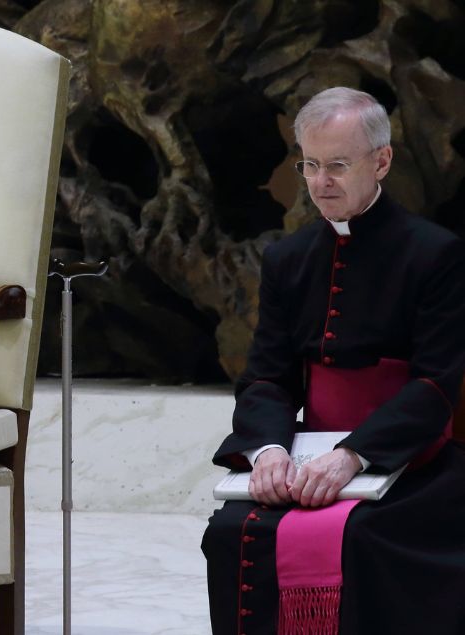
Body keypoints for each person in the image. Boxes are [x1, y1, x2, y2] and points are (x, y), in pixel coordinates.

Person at [201, 86, 465, 634]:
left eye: (338, 166)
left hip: (412, 456)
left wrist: (354, 456)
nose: (320, 183)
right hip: (309, 456)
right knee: (231, 532)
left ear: (382, 161)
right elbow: (267, 378)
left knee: (364, 535)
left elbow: (436, 386)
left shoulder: (436, 254)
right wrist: (269, 451)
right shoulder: (286, 259)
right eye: (310, 164)